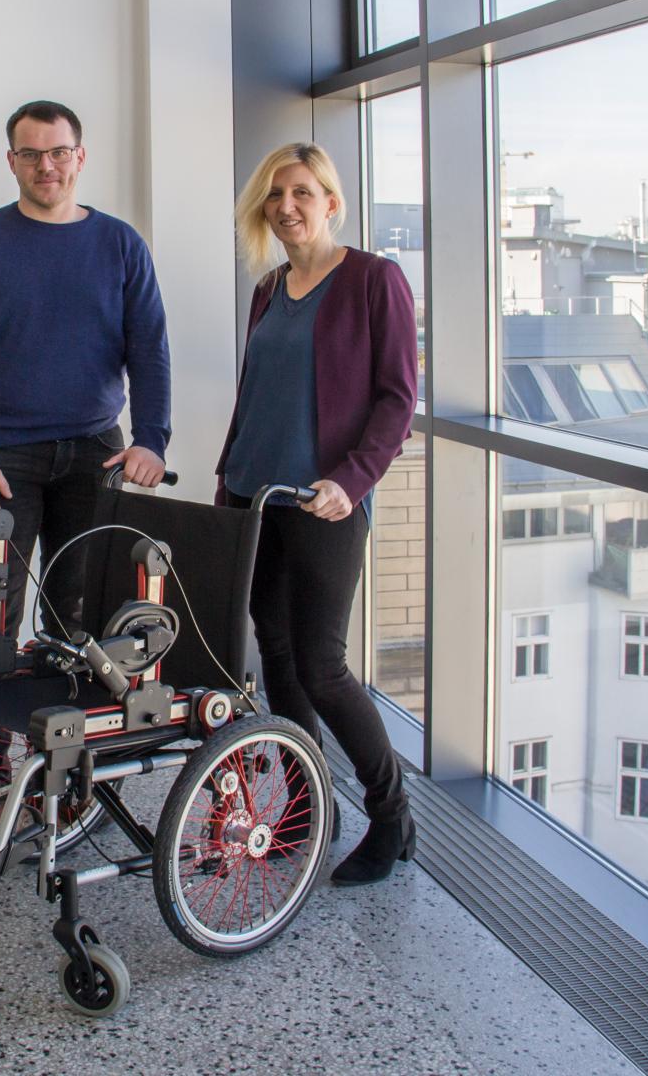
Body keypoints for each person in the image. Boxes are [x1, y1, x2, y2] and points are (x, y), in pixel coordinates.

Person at [0, 100, 171, 868]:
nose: (47, 166)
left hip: (95, 455)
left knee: (82, 630)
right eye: (31, 155)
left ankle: (66, 785)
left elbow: (150, 348)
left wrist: (152, 441)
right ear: (12, 162)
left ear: (81, 156)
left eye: (59, 152)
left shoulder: (119, 244)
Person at [215, 142, 418, 885]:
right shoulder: (269, 289)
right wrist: (226, 490)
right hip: (252, 498)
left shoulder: (374, 280)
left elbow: (398, 400)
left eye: (302, 192)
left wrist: (353, 481)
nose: (287, 207)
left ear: (332, 202)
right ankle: (307, 807)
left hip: (325, 504)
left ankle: (391, 816)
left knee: (324, 667)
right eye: (275, 195)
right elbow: (254, 400)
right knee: (277, 662)